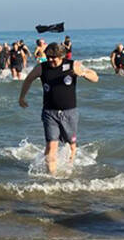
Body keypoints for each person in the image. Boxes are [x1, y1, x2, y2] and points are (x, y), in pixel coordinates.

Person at [18, 42, 99, 175]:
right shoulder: (42, 68)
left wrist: (83, 73)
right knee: (51, 145)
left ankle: (69, 169)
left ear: (60, 56)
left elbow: (95, 78)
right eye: (48, 56)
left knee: (72, 145)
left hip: (69, 113)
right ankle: (52, 177)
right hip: (49, 113)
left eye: (53, 57)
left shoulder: (72, 65)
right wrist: (22, 97)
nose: (50, 60)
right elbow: (28, 79)